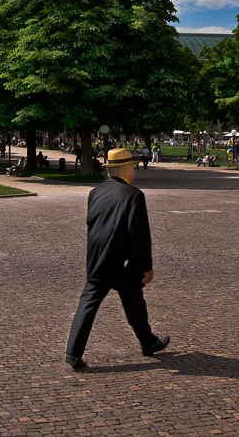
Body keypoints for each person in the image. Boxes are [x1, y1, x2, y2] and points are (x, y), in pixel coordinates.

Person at [65, 148, 170, 369]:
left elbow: (92, 225)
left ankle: (73, 353)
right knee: (135, 304)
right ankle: (147, 342)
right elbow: (138, 235)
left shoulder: (95, 193)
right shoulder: (133, 195)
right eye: (131, 167)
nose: (133, 171)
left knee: (88, 305)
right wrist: (146, 268)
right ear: (123, 168)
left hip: (98, 259)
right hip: (124, 262)